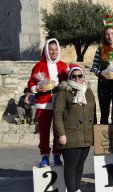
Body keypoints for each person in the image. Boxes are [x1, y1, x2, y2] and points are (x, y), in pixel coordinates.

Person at [53, 64, 96, 192]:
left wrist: (94, 132)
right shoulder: (64, 91)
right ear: (69, 77)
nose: (77, 78)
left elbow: (93, 113)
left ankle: (76, 188)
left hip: (86, 136)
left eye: (80, 75)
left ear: (83, 76)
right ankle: (71, 190)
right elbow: (57, 113)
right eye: (74, 76)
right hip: (70, 136)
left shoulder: (88, 92)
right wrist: (61, 134)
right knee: (71, 166)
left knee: (80, 165)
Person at [28, 38, 68, 167]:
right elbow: (31, 83)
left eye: (56, 49)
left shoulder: (63, 66)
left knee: (58, 132)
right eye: (51, 49)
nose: (53, 52)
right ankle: (44, 156)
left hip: (59, 105)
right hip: (43, 105)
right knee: (44, 132)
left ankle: (57, 155)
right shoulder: (39, 65)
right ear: (46, 50)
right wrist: (36, 88)